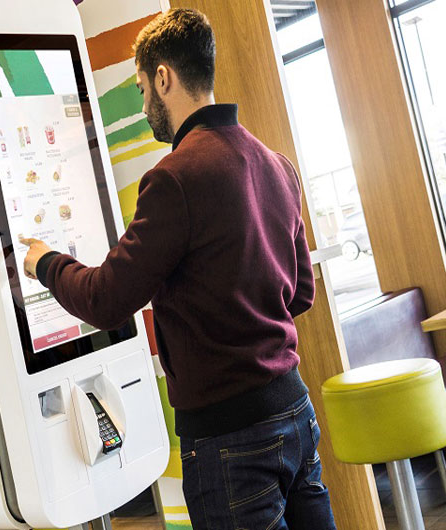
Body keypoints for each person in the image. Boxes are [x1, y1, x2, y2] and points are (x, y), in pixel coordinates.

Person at [21, 8, 336, 529]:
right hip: (294, 412)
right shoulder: (276, 164)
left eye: (143, 88)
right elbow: (301, 292)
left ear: (164, 77)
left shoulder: (173, 179)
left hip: (229, 439)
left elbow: (105, 299)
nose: (144, 105)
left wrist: (45, 262)